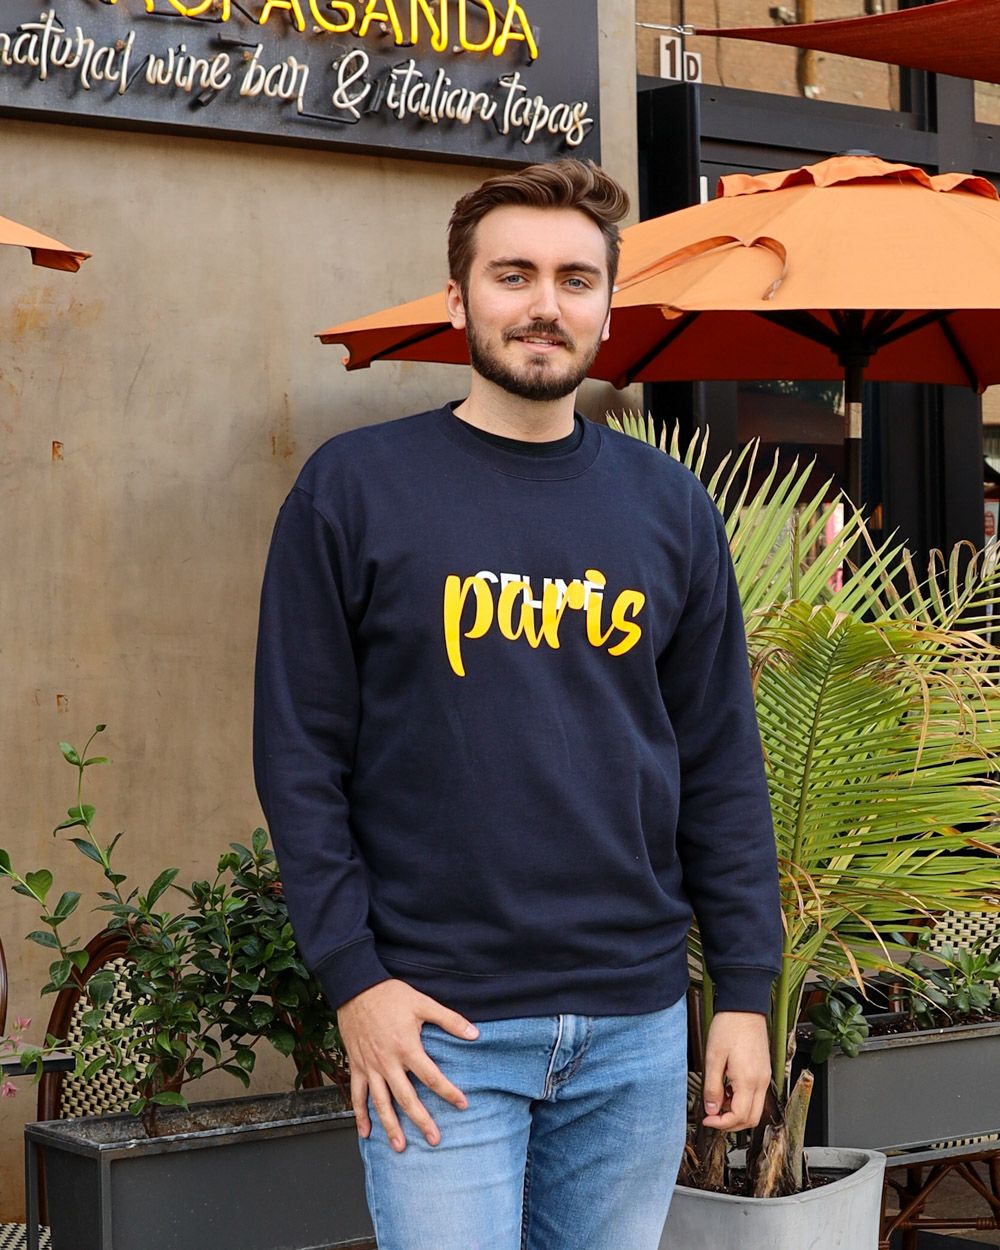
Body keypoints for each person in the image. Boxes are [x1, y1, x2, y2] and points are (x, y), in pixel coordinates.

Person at [253, 158, 782, 1250]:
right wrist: (354, 980)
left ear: (606, 309)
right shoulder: (353, 489)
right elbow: (299, 757)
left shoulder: (670, 508)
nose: (546, 304)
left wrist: (743, 988)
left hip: (633, 1024)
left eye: (576, 279)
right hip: (437, 1025)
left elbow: (721, 760)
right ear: (458, 299)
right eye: (514, 274)